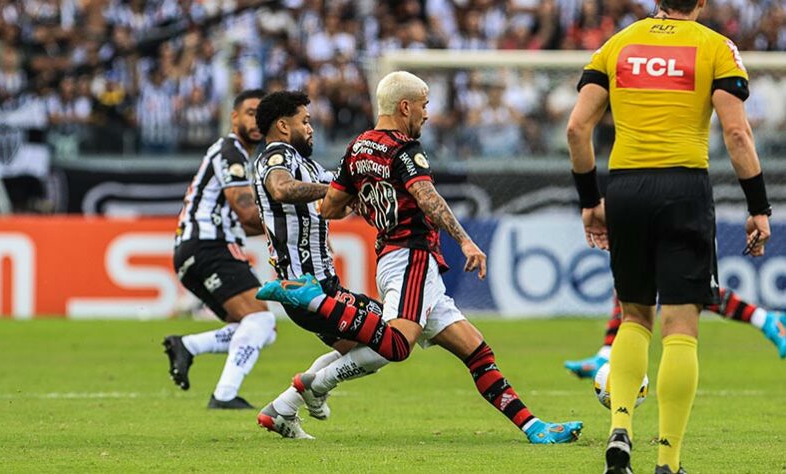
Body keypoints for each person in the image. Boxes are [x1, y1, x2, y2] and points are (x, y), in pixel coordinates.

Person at [257, 73, 583, 444]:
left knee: (477, 351)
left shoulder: (357, 148)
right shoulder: (403, 148)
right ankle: (313, 325)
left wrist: (369, 199)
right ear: (405, 107)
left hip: (400, 259)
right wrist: (465, 241)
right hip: (411, 255)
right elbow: (427, 198)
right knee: (395, 346)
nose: (427, 114)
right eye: (425, 105)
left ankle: (534, 427)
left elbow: (330, 208)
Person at [566, 0, 772, 471]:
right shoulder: (716, 47)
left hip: (625, 189)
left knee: (634, 315)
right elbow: (737, 134)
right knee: (680, 328)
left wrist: (589, 201)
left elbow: (577, 128)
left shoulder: (617, 45)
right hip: (684, 188)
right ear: (701, 2)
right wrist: (758, 207)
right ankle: (668, 461)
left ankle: (620, 429)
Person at [248, 90, 426, 438]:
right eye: (305, 121)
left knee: (366, 351)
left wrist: (358, 196)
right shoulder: (275, 156)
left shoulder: (308, 164)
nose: (311, 128)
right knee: (394, 340)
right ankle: (312, 389)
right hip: (306, 289)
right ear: (283, 127)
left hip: (324, 287)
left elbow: (340, 200)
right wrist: (331, 192)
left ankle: (283, 408)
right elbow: (282, 189)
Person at [162, 89, 277, 410]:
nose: (257, 120)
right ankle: (224, 395)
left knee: (258, 329)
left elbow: (252, 224)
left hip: (199, 250)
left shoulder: (240, 158)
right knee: (261, 322)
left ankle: (187, 345)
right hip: (209, 246)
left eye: (262, 115)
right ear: (234, 116)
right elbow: (246, 213)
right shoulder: (230, 152)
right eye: (251, 112)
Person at [564, 290, 786, 379]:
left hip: (682, 206)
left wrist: (758, 208)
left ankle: (765, 319)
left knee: (691, 289)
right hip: (647, 202)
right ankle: (606, 353)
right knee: (628, 284)